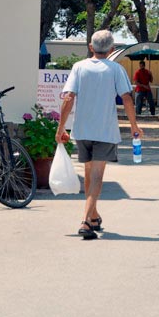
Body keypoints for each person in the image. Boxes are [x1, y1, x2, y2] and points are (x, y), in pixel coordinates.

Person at [55, 30, 142, 240]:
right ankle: (85, 221)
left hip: (82, 130)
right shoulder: (116, 69)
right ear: (112, 50)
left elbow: (68, 98)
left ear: (91, 47)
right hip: (104, 130)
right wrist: (133, 125)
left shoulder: (79, 67)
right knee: (97, 176)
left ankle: (94, 216)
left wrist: (61, 129)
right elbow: (127, 98)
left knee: (88, 173)